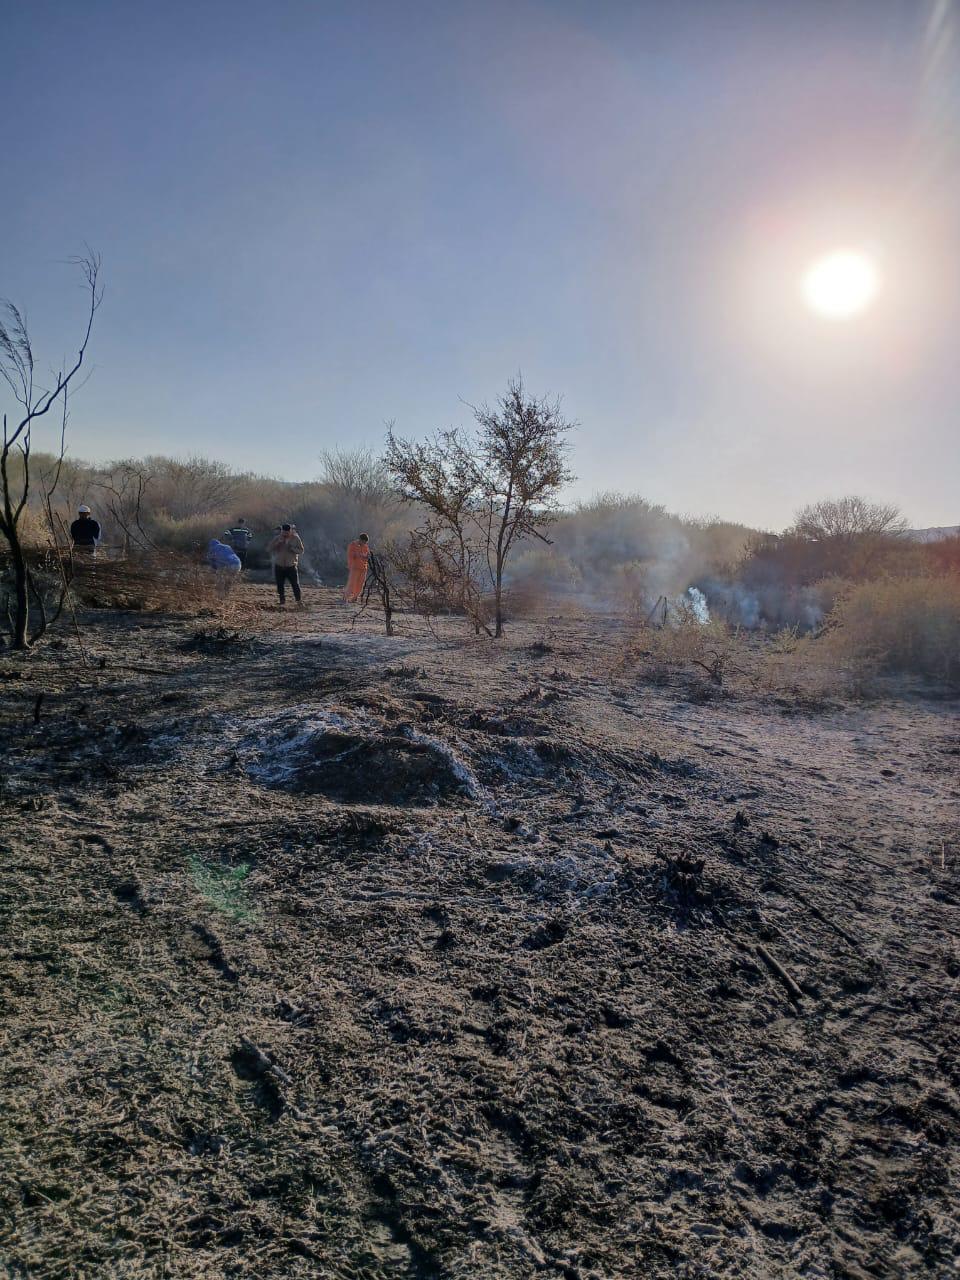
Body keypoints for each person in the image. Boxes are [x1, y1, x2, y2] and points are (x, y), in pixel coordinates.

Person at [268, 523, 305, 607]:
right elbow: (269, 548)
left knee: (295, 584)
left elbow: (301, 551)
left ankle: (299, 601)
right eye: (283, 532)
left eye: (287, 532)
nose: (285, 534)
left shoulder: (296, 538)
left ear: (290, 531)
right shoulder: (277, 538)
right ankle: (282, 601)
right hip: (279, 565)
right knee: (280, 585)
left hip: (291, 565)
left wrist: (292, 548)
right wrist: (277, 544)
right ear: (282, 531)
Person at [344, 533, 370, 603]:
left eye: (366, 542)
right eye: (364, 542)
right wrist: (359, 555)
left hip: (364, 568)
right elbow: (350, 555)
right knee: (352, 583)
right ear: (360, 539)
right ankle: (346, 597)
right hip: (354, 567)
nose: (364, 543)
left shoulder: (366, 546)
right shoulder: (352, 545)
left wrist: (366, 556)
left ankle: (355, 597)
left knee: (360, 584)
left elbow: (367, 556)